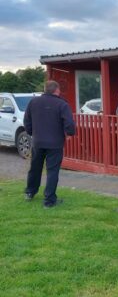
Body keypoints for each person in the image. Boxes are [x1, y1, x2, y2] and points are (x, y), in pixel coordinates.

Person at [24, 80, 76, 208]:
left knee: (35, 168)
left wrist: (32, 132)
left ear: (45, 89)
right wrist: (69, 133)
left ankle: (30, 192)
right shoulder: (62, 104)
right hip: (55, 143)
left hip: (38, 141)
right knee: (52, 171)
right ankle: (49, 200)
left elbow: (27, 121)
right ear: (57, 90)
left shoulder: (33, 102)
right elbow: (69, 123)